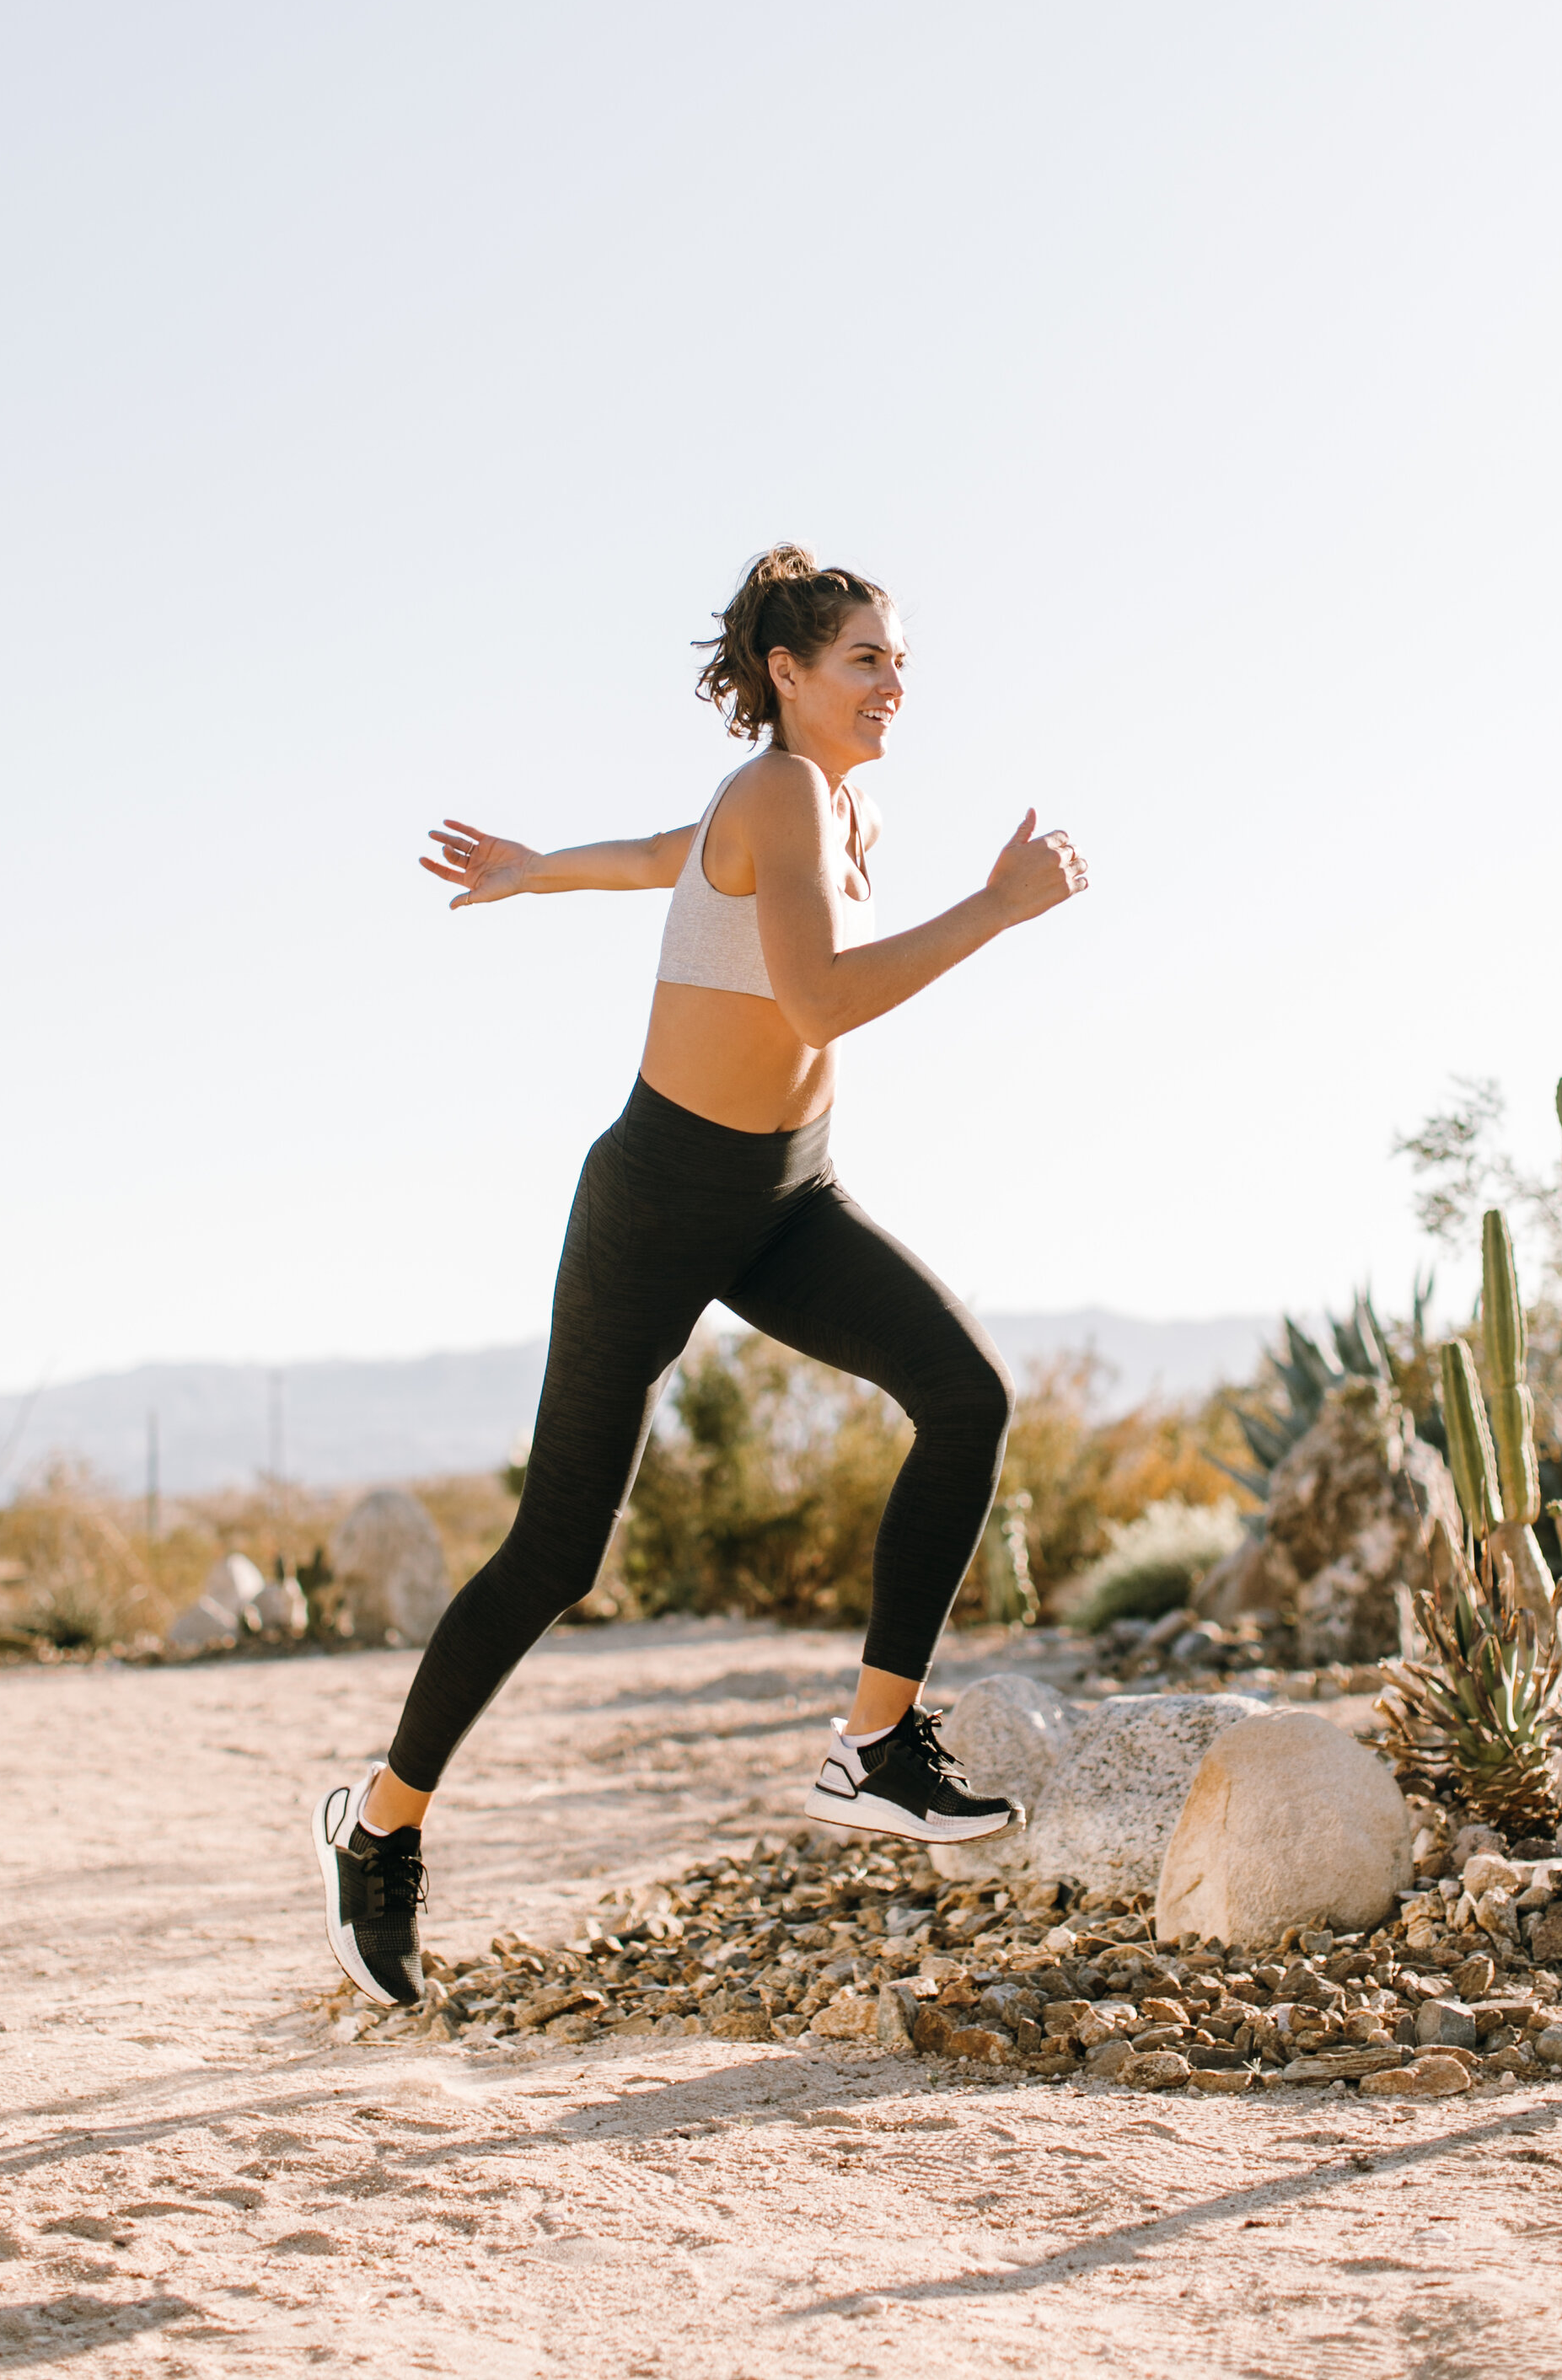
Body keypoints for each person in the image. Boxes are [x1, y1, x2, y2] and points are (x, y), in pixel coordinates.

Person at [314, 544, 1087, 2007]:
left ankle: (875, 1745)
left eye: (899, 657)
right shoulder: (786, 789)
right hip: (660, 1201)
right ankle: (379, 1822)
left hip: (787, 1193)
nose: (894, 680)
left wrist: (540, 868)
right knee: (558, 1555)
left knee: (967, 1394)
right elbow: (820, 996)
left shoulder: (828, 805)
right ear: (788, 675)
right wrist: (997, 908)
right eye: (867, 657)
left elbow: (678, 850)